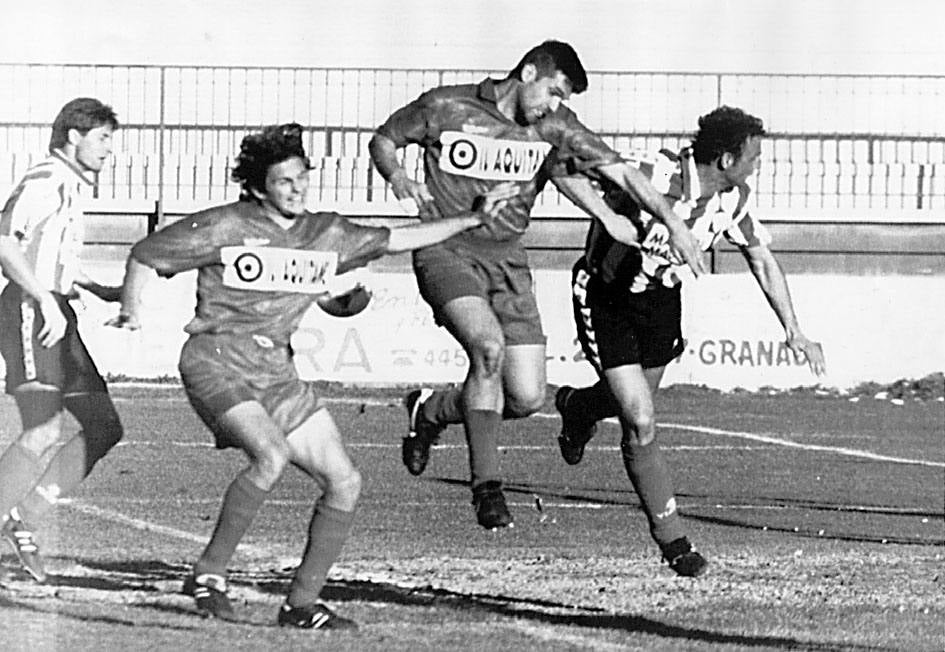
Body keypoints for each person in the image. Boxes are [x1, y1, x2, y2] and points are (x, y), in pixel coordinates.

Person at [107, 123, 515, 629]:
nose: (298, 189)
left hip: (276, 370)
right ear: (257, 188)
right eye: (284, 182)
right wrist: (131, 308)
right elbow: (146, 255)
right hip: (216, 359)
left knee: (344, 481)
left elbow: (396, 240)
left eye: (303, 178)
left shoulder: (325, 233)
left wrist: (471, 219)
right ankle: (208, 575)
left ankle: (301, 604)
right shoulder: (225, 225)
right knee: (270, 455)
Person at [368, 40, 706, 530]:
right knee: (487, 349)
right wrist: (397, 173)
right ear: (528, 72)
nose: (555, 105)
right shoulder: (446, 105)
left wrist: (666, 222)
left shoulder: (553, 127)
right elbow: (384, 139)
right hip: (446, 248)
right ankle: (488, 489)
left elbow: (619, 173)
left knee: (526, 398)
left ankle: (432, 410)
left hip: (508, 261)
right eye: (552, 91)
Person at [555, 106, 827, 576]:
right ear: (725, 160)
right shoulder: (652, 172)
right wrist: (606, 215)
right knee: (640, 420)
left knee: (633, 405)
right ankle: (674, 541)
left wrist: (793, 329)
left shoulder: (733, 201)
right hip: (607, 297)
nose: (757, 165)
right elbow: (561, 166)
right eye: (753, 157)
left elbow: (761, 260)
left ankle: (578, 409)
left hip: (660, 301)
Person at [0, 98, 124, 583]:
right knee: (43, 430)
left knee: (103, 425)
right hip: (32, 312)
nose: (109, 150)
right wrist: (45, 299)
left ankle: (27, 513)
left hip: (56, 311)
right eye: (103, 138)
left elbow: (51, 256)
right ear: (73, 136)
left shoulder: (71, 185)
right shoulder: (45, 180)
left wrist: (97, 288)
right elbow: (4, 242)